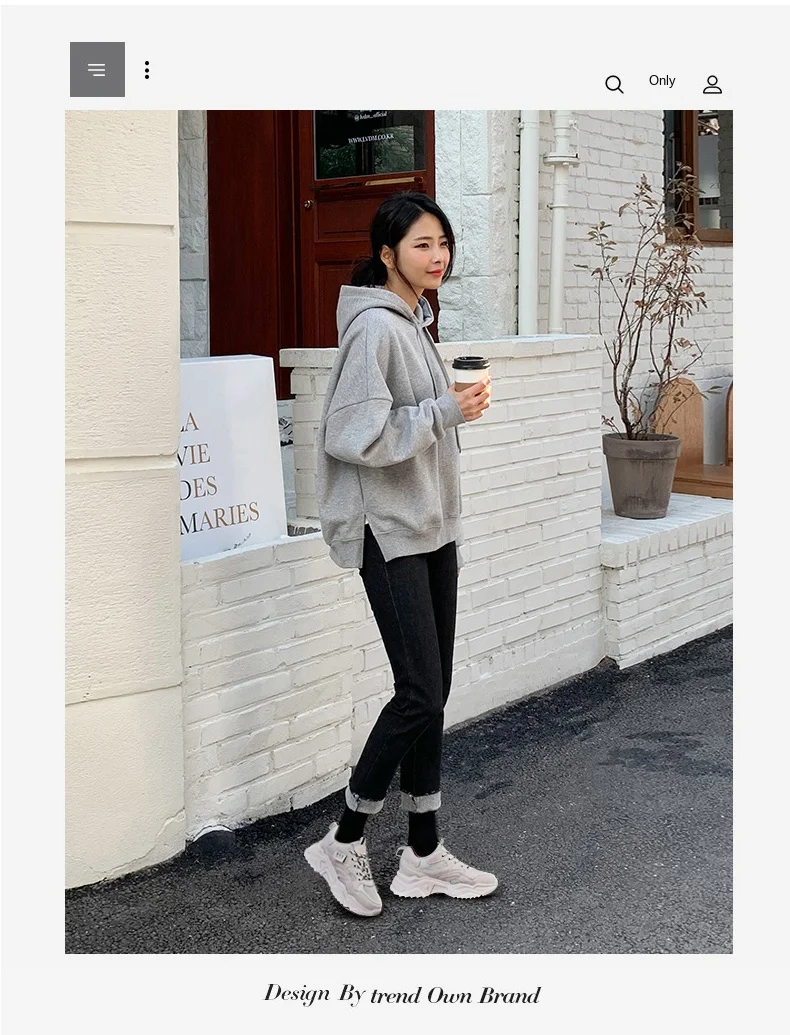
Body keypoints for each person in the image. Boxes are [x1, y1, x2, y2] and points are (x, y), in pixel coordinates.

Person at [304, 191, 496, 917]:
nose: (437, 255)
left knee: (431, 692)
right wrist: (445, 410)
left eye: (443, 242)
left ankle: (422, 853)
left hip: (430, 525)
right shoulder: (377, 329)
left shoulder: (415, 322)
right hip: (387, 529)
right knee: (418, 690)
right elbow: (353, 434)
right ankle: (344, 838)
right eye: (422, 244)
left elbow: (413, 425)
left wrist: (450, 411)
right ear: (387, 254)